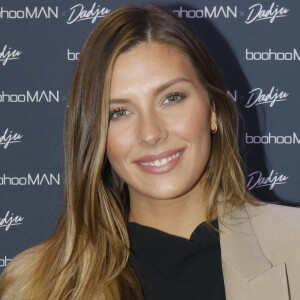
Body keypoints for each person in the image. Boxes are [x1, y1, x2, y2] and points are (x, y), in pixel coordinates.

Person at [0, 3, 299, 300]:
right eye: (119, 112)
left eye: (172, 97)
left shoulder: (293, 245)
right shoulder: (36, 284)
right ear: (96, 135)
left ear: (213, 112)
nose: (151, 133)